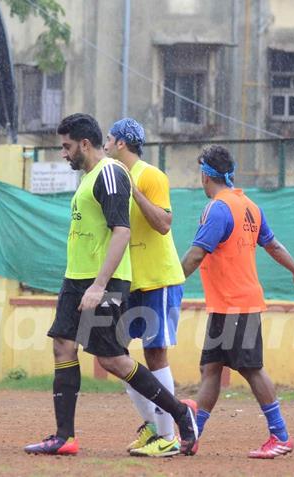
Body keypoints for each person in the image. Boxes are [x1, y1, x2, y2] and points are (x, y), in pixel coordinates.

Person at [24, 113, 198, 456]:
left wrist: (99, 285)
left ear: (84, 144)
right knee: (62, 344)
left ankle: (181, 414)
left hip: (101, 281)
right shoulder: (89, 177)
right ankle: (65, 437)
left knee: (112, 359)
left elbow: (122, 230)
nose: (63, 153)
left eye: (66, 146)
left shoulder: (110, 173)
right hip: (76, 278)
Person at [180, 145, 294, 459]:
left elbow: (197, 253)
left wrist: (169, 284)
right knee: (211, 369)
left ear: (205, 174)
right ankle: (194, 434)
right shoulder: (249, 205)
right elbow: (273, 244)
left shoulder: (218, 208)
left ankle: (280, 436)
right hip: (226, 304)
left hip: (236, 303)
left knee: (252, 369)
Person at [104, 118, 186, 457]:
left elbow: (164, 224)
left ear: (122, 143)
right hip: (128, 281)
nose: (105, 145)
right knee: (116, 355)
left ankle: (168, 436)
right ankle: (153, 426)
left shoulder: (151, 175)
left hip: (157, 278)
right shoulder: (108, 178)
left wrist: (134, 191)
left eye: (109, 139)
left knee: (155, 354)